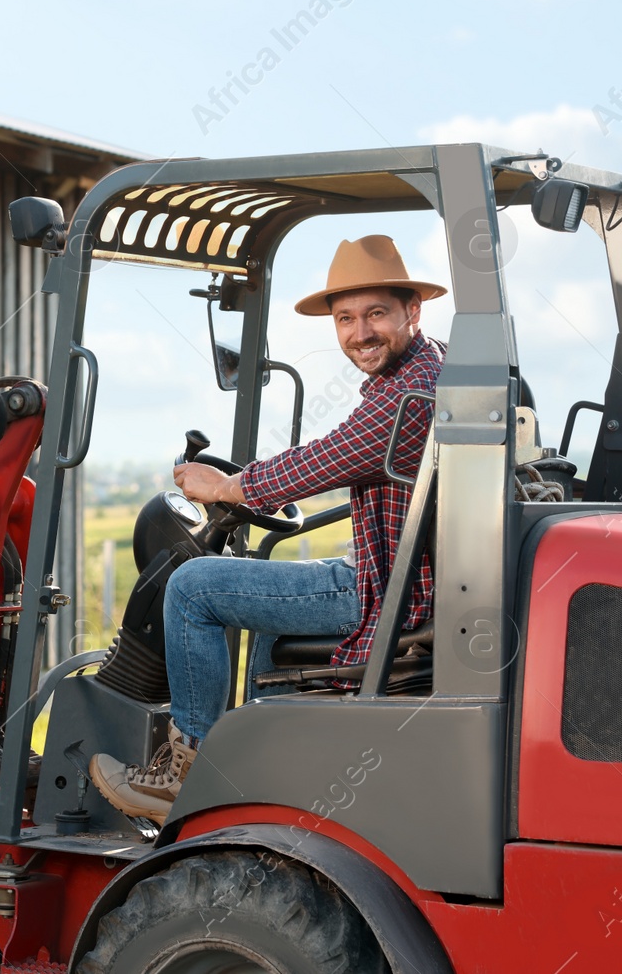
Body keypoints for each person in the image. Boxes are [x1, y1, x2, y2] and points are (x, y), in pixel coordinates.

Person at [90, 234, 448, 824]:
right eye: (346, 319)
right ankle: (262, 770)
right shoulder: (428, 370)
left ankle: (188, 770)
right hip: (398, 576)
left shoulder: (411, 394)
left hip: (387, 594)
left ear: (413, 311)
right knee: (261, 612)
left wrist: (225, 488)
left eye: (376, 313)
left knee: (194, 587)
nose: (360, 333)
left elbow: (326, 459)